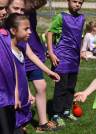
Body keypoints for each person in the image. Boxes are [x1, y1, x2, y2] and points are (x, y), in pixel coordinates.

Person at [7, 0, 59, 132]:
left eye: (22, 9)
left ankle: (42, 123)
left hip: (31, 57)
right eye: (16, 9)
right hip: (12, 74)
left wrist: (48, 71)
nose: (20, 12)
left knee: (41, 86)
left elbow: (30, 54)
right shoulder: (5, 34)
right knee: (19, 97)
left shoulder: (24, 39)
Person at [46, 0, 85, 126]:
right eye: (74, 1)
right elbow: (49, 33)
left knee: (70, 87)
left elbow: (80, 37)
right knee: (61, 87)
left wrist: (81, 52)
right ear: (68, 1)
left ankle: (67, 111)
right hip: (62, 57)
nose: (77, 4)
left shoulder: (81, 18)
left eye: (80, 2)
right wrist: (51, 53)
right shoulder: (61, 17)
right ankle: (56, 114)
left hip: (74, 59)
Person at [0, 0, 19, 133]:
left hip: (8, 95)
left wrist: (16, 91)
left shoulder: (5, 33)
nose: (4, 12)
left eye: (5, 8)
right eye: (0, 8)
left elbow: (12, 64)